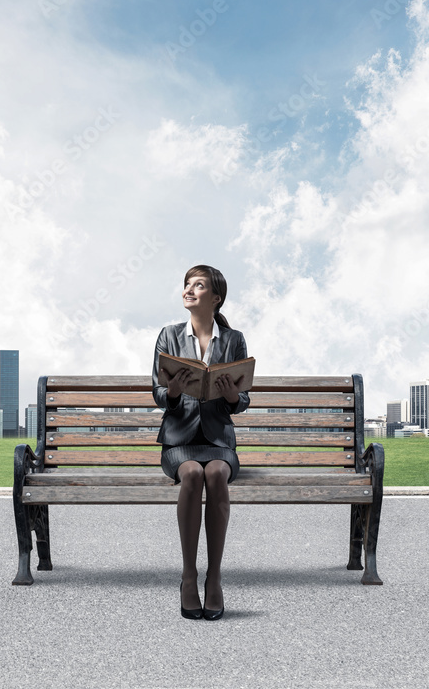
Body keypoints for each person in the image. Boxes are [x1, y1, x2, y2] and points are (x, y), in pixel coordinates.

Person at [151, 265, 250, 621]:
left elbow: (244, 399)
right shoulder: (169, 336)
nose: (188, 290)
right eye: (186, 285)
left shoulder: (234, 339)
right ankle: (189, 576)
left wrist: (231, 397)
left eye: (198, 285)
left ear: (216, 297)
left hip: (220, 440)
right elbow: (158, 393)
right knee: (192, 473)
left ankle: (216, 578)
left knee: (217, 474)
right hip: (179, 441)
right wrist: (173, 392)